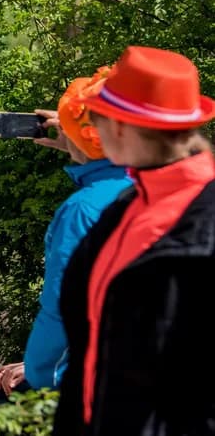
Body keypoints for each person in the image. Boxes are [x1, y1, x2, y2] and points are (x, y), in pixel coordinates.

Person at [52, 46, 215, 436]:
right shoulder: (126, 206)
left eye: (96, 118)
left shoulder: (205, 227)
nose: (93, 131)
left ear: (121, 127)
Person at [0, 69, 132, 436]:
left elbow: (62, 307)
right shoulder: (152, 186)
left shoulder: (83, 209)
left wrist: (41, 373)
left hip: (91, 381)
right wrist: (77, 142)